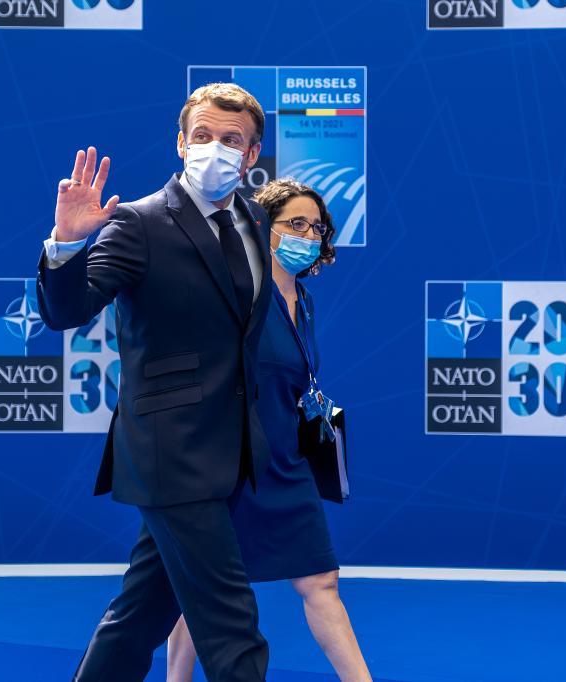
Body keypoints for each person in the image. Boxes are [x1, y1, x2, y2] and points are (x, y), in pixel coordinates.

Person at [35, 83, 275, 682]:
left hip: (228, 451)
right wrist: (67, 242)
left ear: (251, 156)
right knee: (230, 624)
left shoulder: (255, 222)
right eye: (201, 136)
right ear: (180, 142)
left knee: (140, 616)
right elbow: (68, 312)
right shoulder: (140, 223)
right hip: (171, 450)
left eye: (230, 140)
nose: (213, 148)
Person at [166, 179, 372, 682]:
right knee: (201, 587)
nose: (308, 234)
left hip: (288, 465)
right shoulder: (237, 294)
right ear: (262, 227)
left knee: (321, 580)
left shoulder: (304, 299)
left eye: (316, 227)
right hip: (228, 466)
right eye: (295, 223)